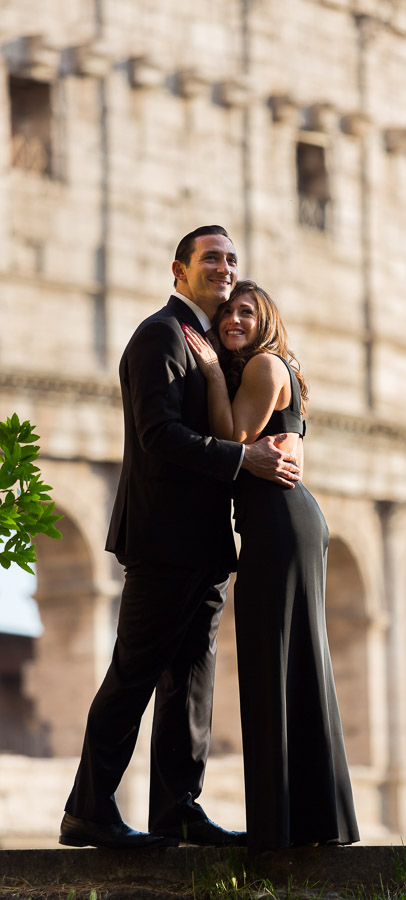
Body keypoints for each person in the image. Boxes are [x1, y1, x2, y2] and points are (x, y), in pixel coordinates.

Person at [59, 227, 300, 850]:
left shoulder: (211, 341)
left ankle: (179, 809)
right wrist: (240, 463)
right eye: (210, 259)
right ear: (179, 270)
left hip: (204, 540)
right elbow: (156, 434)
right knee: (135, 672)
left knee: (191, 680)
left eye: (230, 259)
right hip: (163, 540)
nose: (223, 268)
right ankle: (88, 809)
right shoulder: (160, 334)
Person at [183, 280, 360, 853]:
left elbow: (231, 439)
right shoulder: (270, 366)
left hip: (280, 526)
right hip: (285, 523)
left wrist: (211, 375)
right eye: (228, 310)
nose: (232, 318)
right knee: (293, 661)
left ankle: (276, 830)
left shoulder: (261, 366)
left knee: (270, 663)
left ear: (267, 320)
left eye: (246, 311)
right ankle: (307, 821)